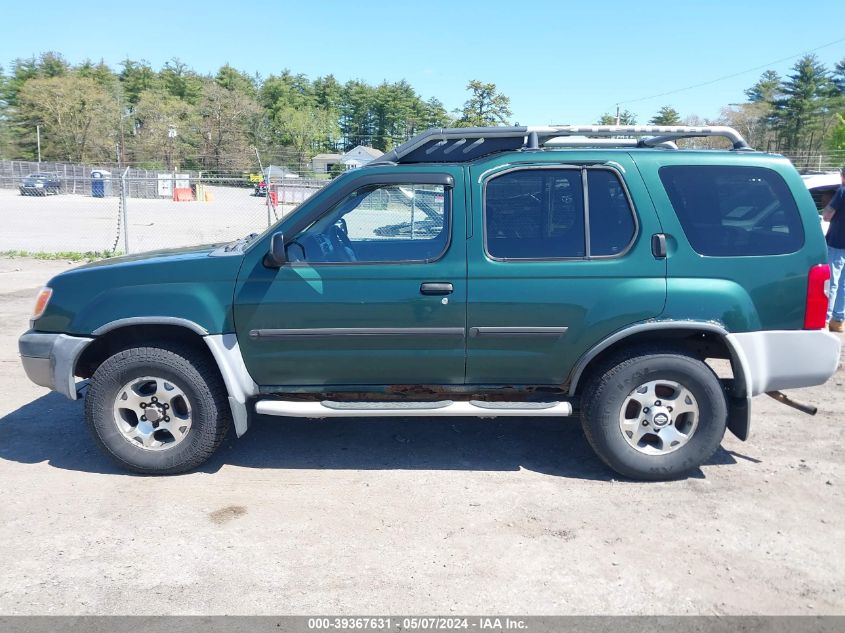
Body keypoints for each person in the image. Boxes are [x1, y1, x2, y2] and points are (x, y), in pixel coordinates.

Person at [822, 166, 845, 332]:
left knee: (831, 283)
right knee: (843, 284)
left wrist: (826, 210)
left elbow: (827, 215)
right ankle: (838, 320)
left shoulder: (842, 192)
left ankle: (824, 318)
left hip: (837, 242)